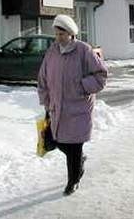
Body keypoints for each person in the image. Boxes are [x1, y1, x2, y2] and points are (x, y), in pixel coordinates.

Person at [38, 14, 108, 196]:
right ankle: (79, 162)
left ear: (70, 33)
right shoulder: (52, 52)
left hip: (78, 108)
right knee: (57, 141)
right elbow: (43, 78)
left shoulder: (84, 51)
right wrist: (46, 100)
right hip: (57, 107)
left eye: (62, 34)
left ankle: (73, 181)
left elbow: (101, 75)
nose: (58, 38)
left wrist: (82, 86)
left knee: (74, 146)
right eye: (56, 34)